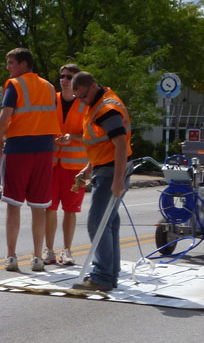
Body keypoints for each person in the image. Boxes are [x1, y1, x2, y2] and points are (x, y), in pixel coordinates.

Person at [0, 48, 61, 272]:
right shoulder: (50, 87)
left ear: (24, 64)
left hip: (18, 150)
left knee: (13, 205)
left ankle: (11, 257)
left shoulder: (15, 85)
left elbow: (3, 119)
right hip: (43, 151)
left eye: (11, 63)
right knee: (39, 207)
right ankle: (36, 257)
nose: (8, 67)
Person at [68, 71, 131, 292]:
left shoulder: (106, 110)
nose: (81, 101)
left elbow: (121, 145)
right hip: (104, 167)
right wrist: (89, 167)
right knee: (109, 223)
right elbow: (102, 144)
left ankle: (102, 276)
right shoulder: (96, 105)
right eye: (77, 98)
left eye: (83, 96)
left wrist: (118, 180)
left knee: (97, 222)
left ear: (93, 87)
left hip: (111, 171)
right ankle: (110, 274)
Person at [43, 63, 87, 266]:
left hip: (76, 168)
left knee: (71, 210)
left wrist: (73, 138)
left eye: (69, 77)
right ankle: (49, 250)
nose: (64, 80)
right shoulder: (52, 101)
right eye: (62, 76)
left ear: (77, 80)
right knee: (49, 208)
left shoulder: (85, 104)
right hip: (51, 165)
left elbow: (92, 135)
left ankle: (67, 251)